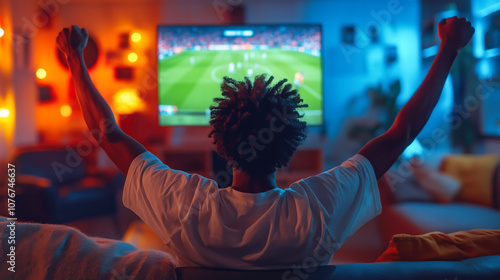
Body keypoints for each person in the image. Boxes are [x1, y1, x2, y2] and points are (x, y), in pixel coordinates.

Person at [56, 17, 474, 269]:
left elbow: (108, 133)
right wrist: (449, 50)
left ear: (219, 143)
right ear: (290, 144)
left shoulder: (183, 205)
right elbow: (400, 134)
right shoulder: (320, 207)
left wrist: (76, 61)